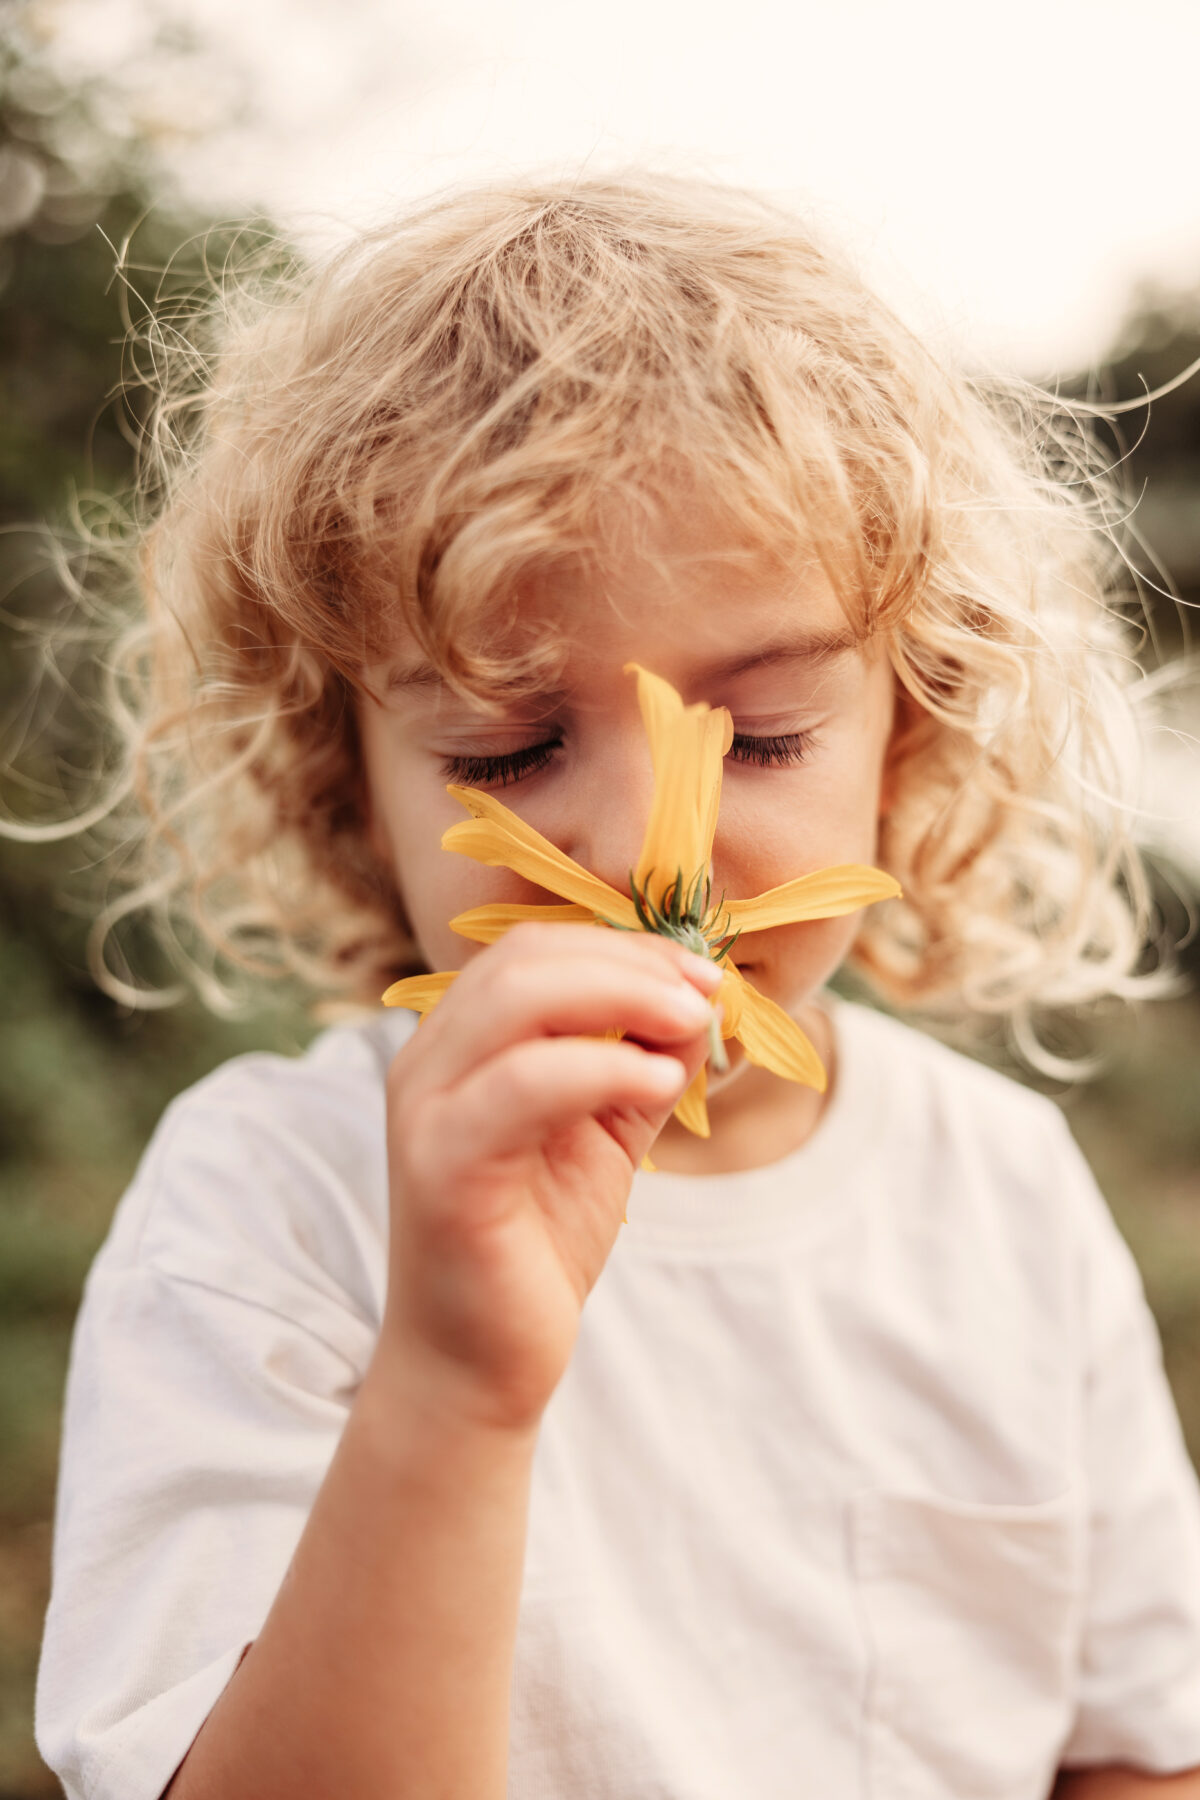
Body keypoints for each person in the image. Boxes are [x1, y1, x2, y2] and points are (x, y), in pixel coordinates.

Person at [29, 172, 1200, 1800]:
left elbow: (1138, 1744)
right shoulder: (271, 1210)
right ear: (349, 790)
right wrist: (451, 1383)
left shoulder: (1002, 1192)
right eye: (508, 747)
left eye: (765, 736)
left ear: (905, 740)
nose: (664, 843)